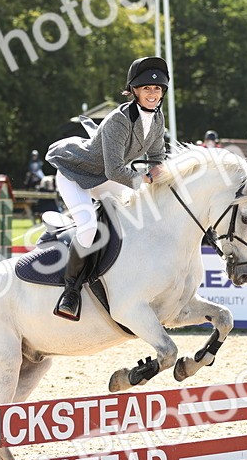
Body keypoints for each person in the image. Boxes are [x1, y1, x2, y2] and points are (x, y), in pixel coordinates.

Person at [45, 56, 169, 320]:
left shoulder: (158, 119)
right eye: (147, 88)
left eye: (157, 89)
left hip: (104, 177)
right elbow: (115, 170)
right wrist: (145, 179)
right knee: (89, 229)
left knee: (138, 213)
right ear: (134, 90)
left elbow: (158, 155)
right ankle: (71, 290)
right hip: (76, 175)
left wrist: (160, 170)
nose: (153, 93)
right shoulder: (118, 120)